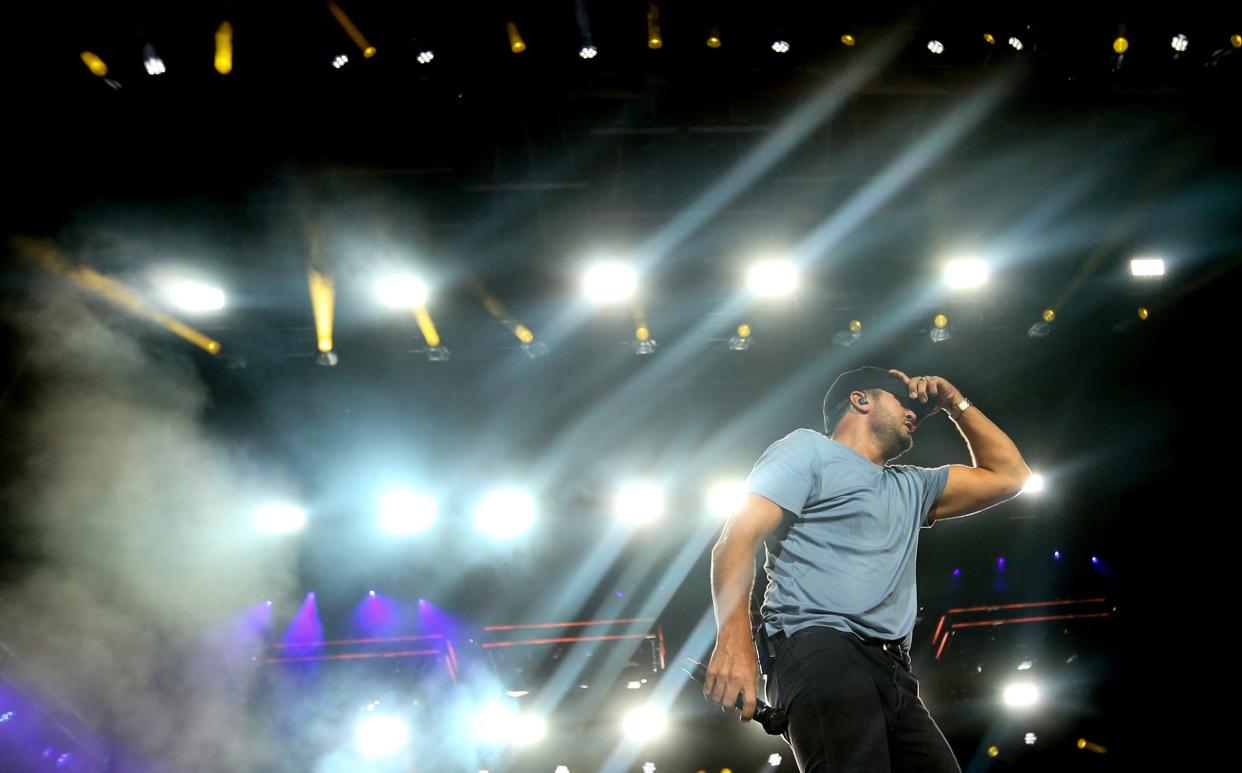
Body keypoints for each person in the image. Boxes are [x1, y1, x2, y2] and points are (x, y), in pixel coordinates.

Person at [704, 366, 1029, 772]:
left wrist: (954, 404)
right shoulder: (807, 450)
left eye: (921, 409)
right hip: (819, 644)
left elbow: (1010, 476)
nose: (916, 412)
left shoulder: (913, 485)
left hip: (894, 670)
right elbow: (736, 541)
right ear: (861, 400)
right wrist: (735, 642)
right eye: (903, 401)